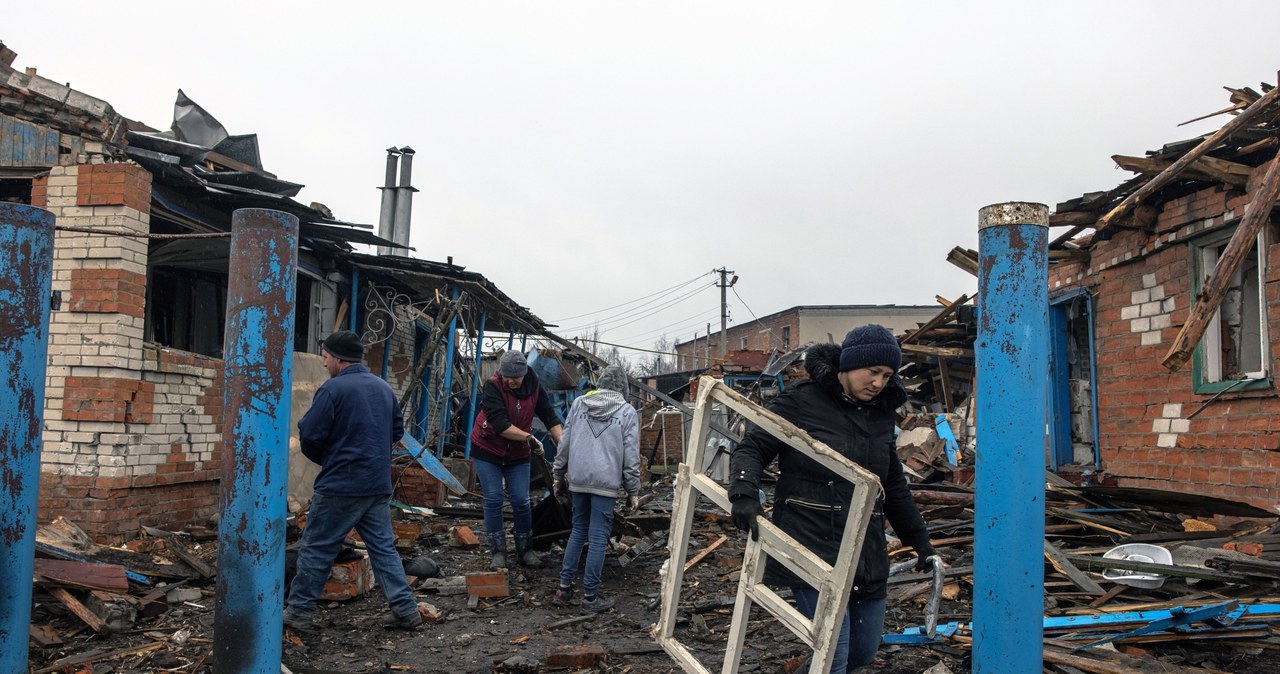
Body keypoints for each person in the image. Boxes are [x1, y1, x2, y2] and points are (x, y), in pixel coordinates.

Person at [728, 325, 936, 672]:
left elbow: (894, 485)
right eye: (873, 372)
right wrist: (744, 491)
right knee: (832, 653)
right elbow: (753, 447)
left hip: (863, 549)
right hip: (810, 542)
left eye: (887, 375)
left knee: (863, 652)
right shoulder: (801, 400)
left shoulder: (881, 413)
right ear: (848, 365)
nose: (880, 383)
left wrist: (921, 544)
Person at [283, 330, 422, 633]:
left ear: (338, 358)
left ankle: (298, 613)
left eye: (326, 356)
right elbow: (397, 432)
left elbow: (310, 434)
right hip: (376, 484)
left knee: (317, 548)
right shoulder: (384, 389)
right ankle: (406, 611)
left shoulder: (333, 390)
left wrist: (330, 458)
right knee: (383, 549)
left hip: (341, 485)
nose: (323, 362)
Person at [551, 366, 641, 612]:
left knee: (578, 531)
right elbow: (631, 454)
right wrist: (633, 490)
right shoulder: (626, 411)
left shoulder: (580, 404)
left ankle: (564, 589)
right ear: (623, 388)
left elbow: (565, 442)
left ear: (599, 383)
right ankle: (590, 597)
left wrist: (558, 473)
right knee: (599, 538)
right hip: (606, 482)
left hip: (578, 479)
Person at [470, 349, 564, 569]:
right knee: (493, 499)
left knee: (521, 501)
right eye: (507, 376)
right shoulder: (493, 386)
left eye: (515, 377)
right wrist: (529, 437)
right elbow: (501, 425)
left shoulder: (534, 386)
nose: (510, 381)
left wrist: (563, 443)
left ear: (524, 374)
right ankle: (498, 552)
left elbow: (550, 416)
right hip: (488, 449)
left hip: (518, 453)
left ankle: (525, 550)